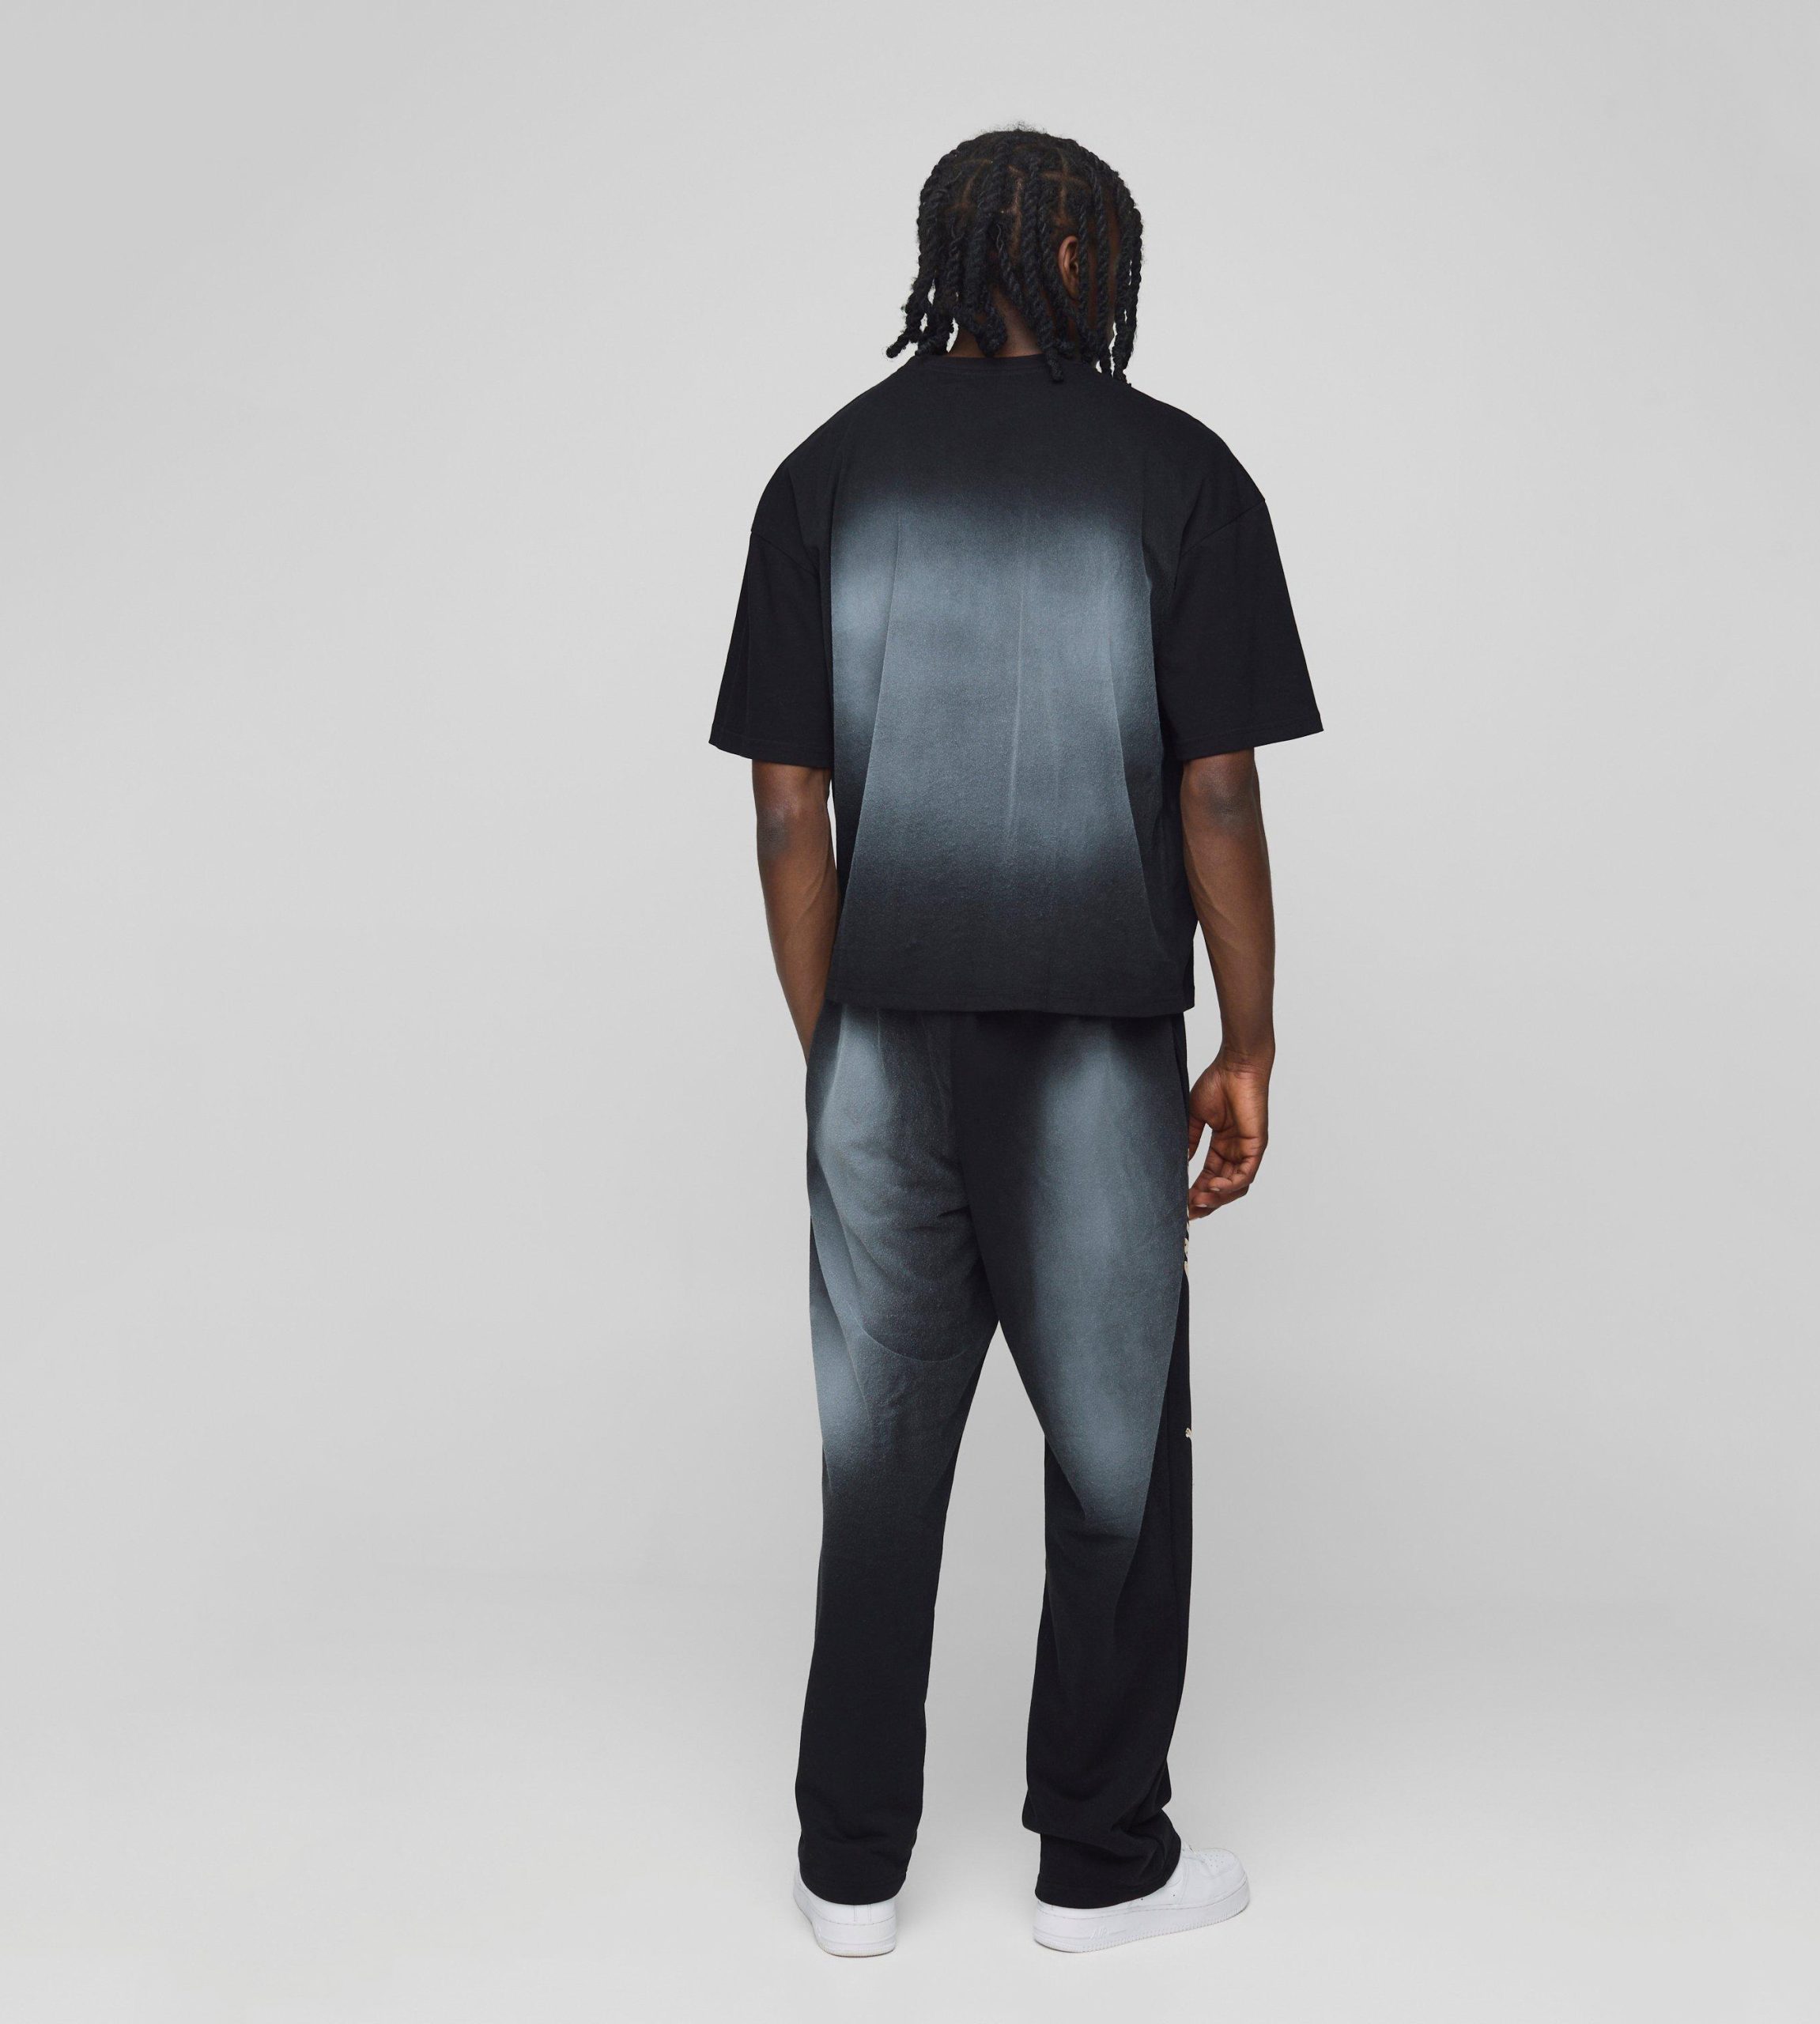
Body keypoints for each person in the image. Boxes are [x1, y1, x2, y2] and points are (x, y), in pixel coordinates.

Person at [709, 127, 1320, 1956]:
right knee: (1114, 1458)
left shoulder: (825, 474)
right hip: (1090, 1039)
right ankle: (1098, 1861)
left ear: (943, 254)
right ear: (1087, 261)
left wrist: (841, 1043)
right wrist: (1250, 1036)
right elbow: (1216, 791)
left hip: (882, 1041)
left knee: (876, 1455)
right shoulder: (1176, 473)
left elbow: (786, 810)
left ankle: (848, 1870)